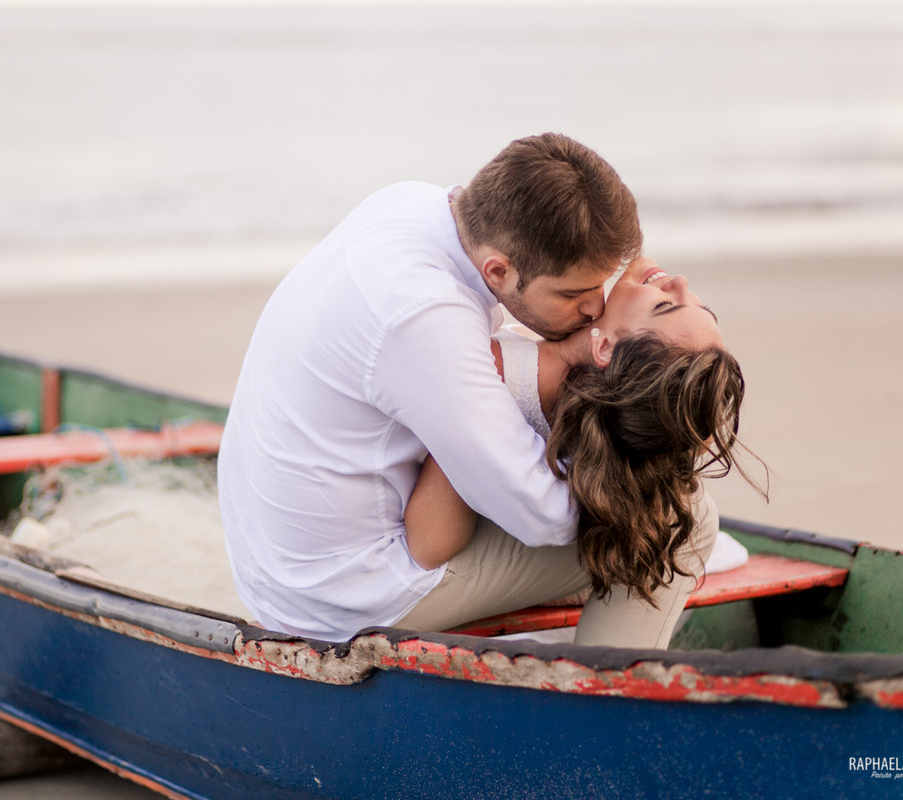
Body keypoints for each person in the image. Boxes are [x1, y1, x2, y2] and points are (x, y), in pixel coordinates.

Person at [219, 133, 647, 642]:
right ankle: (599, 705)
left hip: (274, 563)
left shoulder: (411, 202)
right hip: (346, 598)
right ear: (498, 270)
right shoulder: (425, 316)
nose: (596, 308)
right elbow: (545, 517)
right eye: (573, 293)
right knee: (681, 529)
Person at [399, 257, 763, 647]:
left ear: (605, 346)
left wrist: (459, 442)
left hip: (398, 588)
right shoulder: (566, 391)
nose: (681, 282)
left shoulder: (500, 376)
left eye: (666, 305)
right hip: (393, 582)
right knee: (684, 515)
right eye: (695, 306)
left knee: (678, 514)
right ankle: (614, 677)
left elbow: (428, 546)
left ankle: (605, 686)